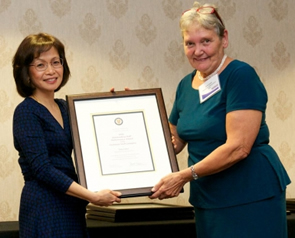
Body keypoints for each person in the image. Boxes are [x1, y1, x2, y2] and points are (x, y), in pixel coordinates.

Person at [149, 2, 291, 238]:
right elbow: (173, 142)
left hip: (250, 192)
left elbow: (239, 147)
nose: (198, 50)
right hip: (208, 195)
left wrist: (184, 176)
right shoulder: (186, 84)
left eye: (206, 41)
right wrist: (134, 110)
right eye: (190, 43)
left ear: (223, 38)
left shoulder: (240, 75)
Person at [12, 32, 121, 238]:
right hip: (44, 206)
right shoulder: (26, 111)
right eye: (40, 65)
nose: (51, 70)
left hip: (71, 203)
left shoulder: (65, 107)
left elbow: (97, 139)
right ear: (26, 72)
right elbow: (42, 169)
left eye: (56, 62)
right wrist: (92, 196)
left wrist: (121, 103)